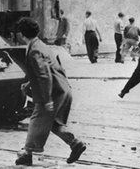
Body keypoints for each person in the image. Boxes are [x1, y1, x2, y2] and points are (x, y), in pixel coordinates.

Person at [15, 17, 86, 166]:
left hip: (53, 93)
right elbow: (48, 70)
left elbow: (44, 76)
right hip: (63, 88)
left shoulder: (34, 50)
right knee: (52, 123)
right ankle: (75, 144)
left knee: (36, 119)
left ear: (21, 34)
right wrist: (28, 84)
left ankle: (26, 153)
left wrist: (47, 100)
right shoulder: (42, 45)